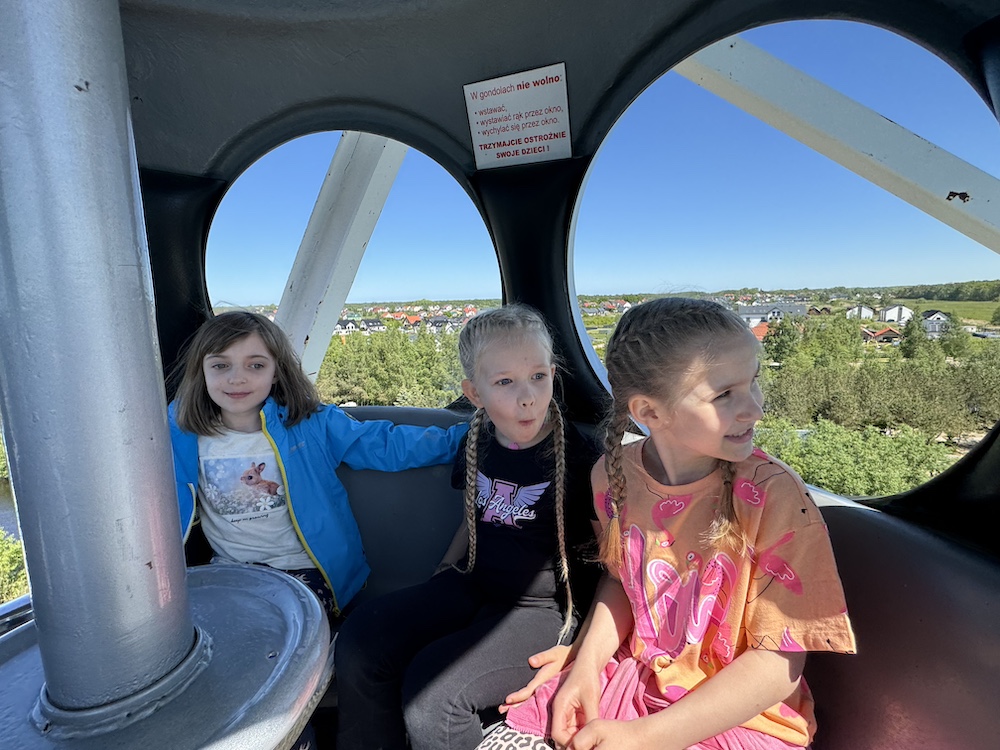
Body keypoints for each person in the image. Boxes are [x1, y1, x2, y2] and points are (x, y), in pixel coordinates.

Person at [480, 297, 857, 750]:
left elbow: (778, 666)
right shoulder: (612, 476)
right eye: (724, 395)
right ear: (650, 413)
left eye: (753, 382)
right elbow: (623, 582)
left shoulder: (776, 498)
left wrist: (645, 737)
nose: (755, 409)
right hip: (636, 678)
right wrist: (585, 665)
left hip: (740, 716)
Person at [334, 303, 603, 750]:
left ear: (553, 375)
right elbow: (474, 517)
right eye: (505, 382)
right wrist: (444, 570)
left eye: (538, 376)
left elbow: (614, 563)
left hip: (544, 611)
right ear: (474, 393)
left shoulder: (582, 458)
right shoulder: (478, 440)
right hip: (473, 583)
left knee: (433, 700)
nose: (527, 397)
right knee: (361, 639)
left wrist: (585, 649)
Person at [169, 310, 468, 621]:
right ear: (201, 371)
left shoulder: (310, 424)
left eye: (255, 365)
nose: (236, 378)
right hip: (230, 569)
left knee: (288, 629)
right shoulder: (181, 435)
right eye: (220, 365)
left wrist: (463, 438)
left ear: (276, 372)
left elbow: (385, 444)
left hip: (304, 568)